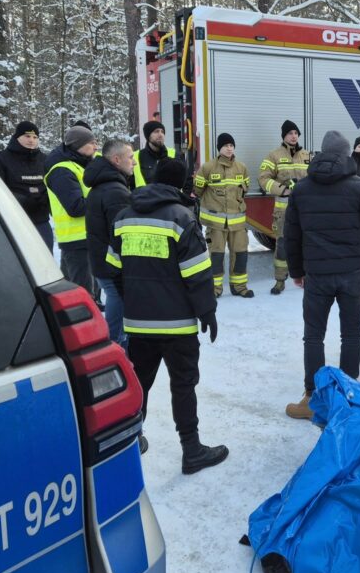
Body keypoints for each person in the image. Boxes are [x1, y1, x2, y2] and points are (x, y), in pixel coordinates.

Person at [107, 158, 229, 474]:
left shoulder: (123, 218)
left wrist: (135, 301)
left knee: (139, 384)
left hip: (138, 324)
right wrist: (208, 312)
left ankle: (132, 441)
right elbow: (198, 274)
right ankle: (192, 451)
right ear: (180, 184)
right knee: (183, 386)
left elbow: (113, 269)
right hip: (177, 326)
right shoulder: (181, 218)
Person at [282, 130, 360, 420]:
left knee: (313, 337)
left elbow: (291, 235)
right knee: (351, 335)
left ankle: (312, 398)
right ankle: (349, 398)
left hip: (318, 274)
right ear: (347, 155)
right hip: (353, 273)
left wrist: (296, 271)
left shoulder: (302, 188)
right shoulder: (359, 186)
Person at [85, 139, 134, 350]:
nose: (135, 162)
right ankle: (115, 343)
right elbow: (121, 234)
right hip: (110, 262)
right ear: (116, 159)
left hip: (101, 259)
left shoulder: (105, 185)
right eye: (130, 157)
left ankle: (115, 341)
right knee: (117, 297)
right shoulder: (115, 191)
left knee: (114, 296)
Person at [194, 132, 253, 298]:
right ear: (219, 148)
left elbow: (245, 189)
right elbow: (198, 190)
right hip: (216, 224)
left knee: (240, 254)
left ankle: (239, 287)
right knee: (216, 256)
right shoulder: (207, 168)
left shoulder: (242, 168)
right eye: (226, 145)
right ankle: (215, 289)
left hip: (238, 223)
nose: (229, 148)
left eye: (231, 145)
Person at [45, 125, 98, 295]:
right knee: (81, 293)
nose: (95, 147)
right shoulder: (62, 170)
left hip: (85, 238)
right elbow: (75, 207)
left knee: (73, 292)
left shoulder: (80, 164)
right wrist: (103, 197)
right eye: (91, 143)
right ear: (78, 145)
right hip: (76, 242)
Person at [259, 120, 310, 294]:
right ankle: (280, 280)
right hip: (284, 211)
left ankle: (305, 277)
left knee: (306, 243)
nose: (294, 136)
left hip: (304, 210)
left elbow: (315, 178)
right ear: (284, 136)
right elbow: (263, 179)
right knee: (282, 245)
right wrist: (284, 190)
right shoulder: (273, 156)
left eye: (296, 133)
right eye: (290, 133)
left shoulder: (307, 156)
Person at [0, 120, 51, 249]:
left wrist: (47, 198)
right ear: (17, 137)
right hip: (13, 222)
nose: (31, 140)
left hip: (41, 221)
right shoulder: (0, 159)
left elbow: (53, 186)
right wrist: (23, 201)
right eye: (27, 136)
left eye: (35, 137)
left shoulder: (45, 160)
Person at [133, 120, 178, 189]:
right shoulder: (136, 156)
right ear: (148, 136)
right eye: (156, 131)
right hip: (145, 198)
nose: (160, 135)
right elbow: (130, 183)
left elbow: (187, 180)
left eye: (162, 132)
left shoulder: (175, 154)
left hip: (171, 198)